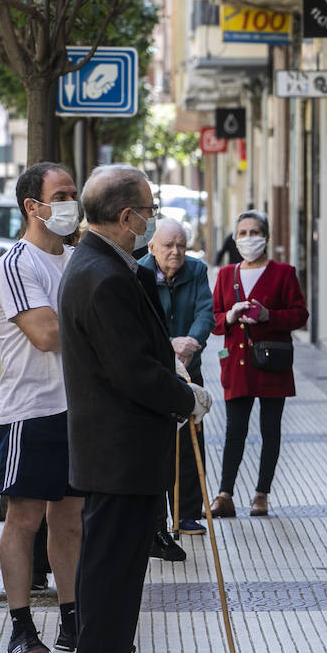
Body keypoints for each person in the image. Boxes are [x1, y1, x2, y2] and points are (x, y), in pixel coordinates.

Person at [58, 164, 211, 653]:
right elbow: (130, 371)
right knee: (110, 573)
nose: (150, 219)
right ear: (127, 218)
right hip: (117, 454)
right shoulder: (102, 276)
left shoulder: (112, 267)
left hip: (123, 453)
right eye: (147, 210)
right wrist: (183, 397)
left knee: (120, 573)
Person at [0, 162, 83, 653]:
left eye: (73, 192)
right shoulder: (17, 264)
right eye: (61, 194)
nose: (71, 202)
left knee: (69, 517)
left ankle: (72, 621)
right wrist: (99, 331)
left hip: (77, 409)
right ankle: (21, 628)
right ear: (33, 206)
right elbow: (46, 335)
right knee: (23, 518)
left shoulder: (77, 258)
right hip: (31, 411)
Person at [209, 210, 308, 518]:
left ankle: (261, 494)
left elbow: (300, 315)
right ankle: (225, 493)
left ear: (266, 237)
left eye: (254, 232)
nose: (249, 238)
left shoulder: (284, 273)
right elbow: (213, 320)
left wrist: (269, 316)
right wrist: (231, 316)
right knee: (234, 430)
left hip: (271, 362)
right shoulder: (226, 275)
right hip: (237, 365)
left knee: (270, 430)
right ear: (235, 238)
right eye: (243, 233)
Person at [139, 218, 212, 546]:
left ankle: (187, 514)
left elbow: (205, 314)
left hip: (188, 369)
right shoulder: (138, 272)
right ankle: (155, 520)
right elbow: (138, 320)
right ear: (152, 246)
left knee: (191, 440)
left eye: (181, 245)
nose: (176, 252)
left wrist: (191, 342)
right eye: (168, 245)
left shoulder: (196, 271)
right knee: (155, 444)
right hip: (155, 371)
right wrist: (169, 345)